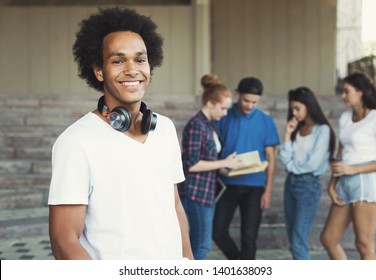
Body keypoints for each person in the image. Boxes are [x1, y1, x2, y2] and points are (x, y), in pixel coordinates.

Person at [48, 7, 193, 260]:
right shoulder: (76, 142)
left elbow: (175, 205)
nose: (132, 70)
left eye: (140, 59)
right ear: (99, 71)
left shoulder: (165, 129)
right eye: (118, 60)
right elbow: (64, 241)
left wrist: (189, 263)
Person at [320, 72, 376, 260]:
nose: (342, 96)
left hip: (366, 182)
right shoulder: (345, 118)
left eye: (346, 91)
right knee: (328, 238)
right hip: (344, 182)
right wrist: (332, 185)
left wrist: (354, 169)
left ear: (360, 92)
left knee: (364, 244)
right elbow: (342, 155)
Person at [212, 77, 280, 260]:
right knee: (217, 231)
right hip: (226, 183)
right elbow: (212, 147)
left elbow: (271, 158)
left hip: (255, 186)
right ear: (238, 95)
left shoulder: (266, 121)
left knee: (249, 237)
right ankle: (241, 266)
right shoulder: (224, 115)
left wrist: (268, 191)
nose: (250, 105)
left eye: (254, 102)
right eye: (246, 100)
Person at [178, 74, 243, 260]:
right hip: (195, 193)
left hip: (205, 193)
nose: (224, 113)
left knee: (197, 244)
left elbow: (206, 161)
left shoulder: (209, 126)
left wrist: (226, 169)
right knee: (202, 245)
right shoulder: (196, 125)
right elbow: (191, 164)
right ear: (210, 103)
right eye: (222, 108)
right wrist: (224, 163)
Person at [279, 87, 336, 260]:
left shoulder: (322, 130)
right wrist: (288, 134)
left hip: (308, 185)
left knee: (298, 241)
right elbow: (284, 156)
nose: (294, 113)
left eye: (297, 108)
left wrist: (291, 165)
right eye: (292, 109)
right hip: (291, 184)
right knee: (293, 240)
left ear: (309, 106)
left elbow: (313, 163)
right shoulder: (296, 128)